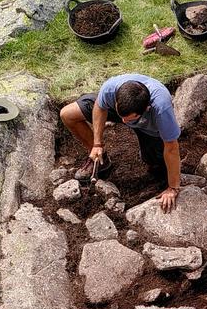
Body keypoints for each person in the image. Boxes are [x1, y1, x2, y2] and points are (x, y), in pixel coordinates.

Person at [59, 74, 182, 212]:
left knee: (156, 164)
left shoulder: (161, 109)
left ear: (146, 109)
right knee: (68, 114)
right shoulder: (111, 89)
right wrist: (97, 144)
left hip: (149, 125)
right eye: (121, 116)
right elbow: (99, 107)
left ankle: (152, 145)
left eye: (128, 119)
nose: (123, 122)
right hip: (127, 109)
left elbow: (171, 148)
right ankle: (101, 160)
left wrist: (173, 188)